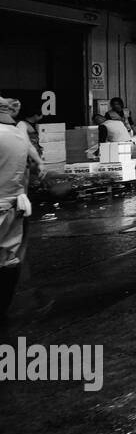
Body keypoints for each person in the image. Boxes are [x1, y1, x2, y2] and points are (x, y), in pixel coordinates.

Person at [1, 97, 44, 316]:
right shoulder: (18, 133)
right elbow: (34, 160)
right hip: (14, 204)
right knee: (9, 256)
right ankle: (3, 306)